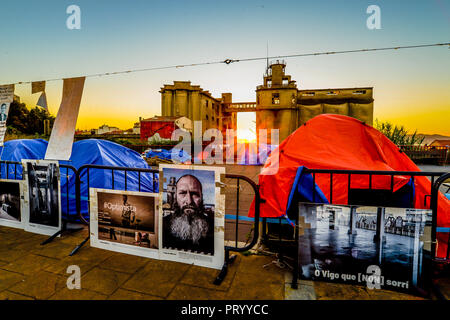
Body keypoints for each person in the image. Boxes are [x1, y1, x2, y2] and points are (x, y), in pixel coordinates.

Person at [163, 174, 214, 255]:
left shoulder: (213, 227)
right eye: (182, 193)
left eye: (194, 194)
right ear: (175, 196)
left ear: (201, 197)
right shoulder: (163, 225)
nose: (189, 201)